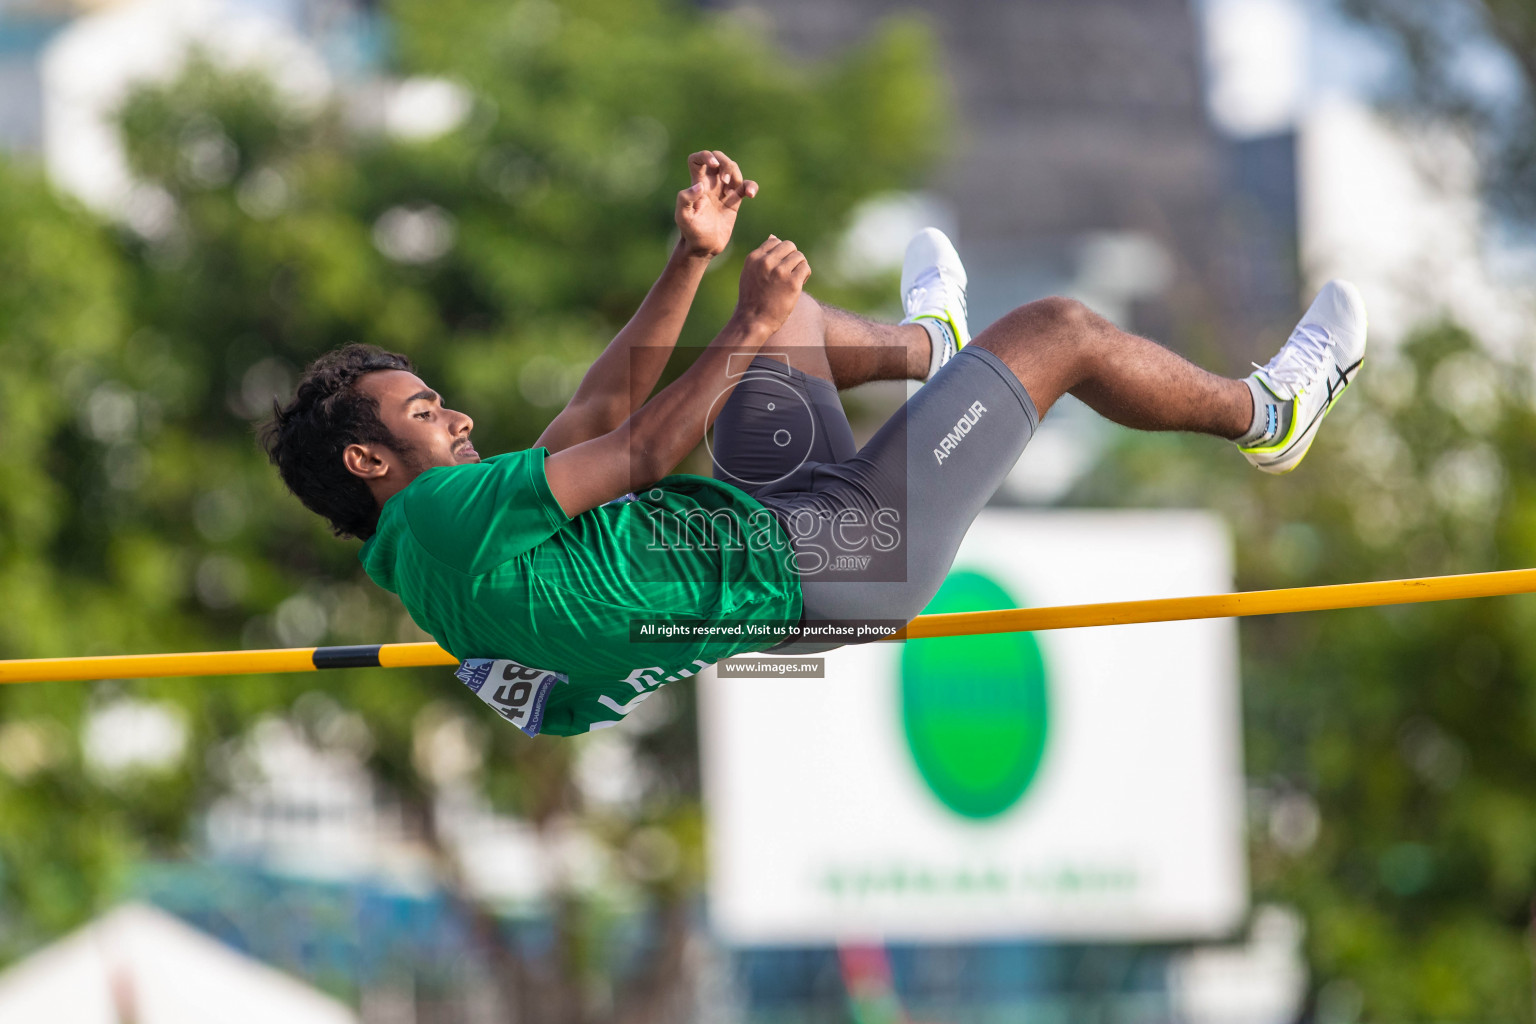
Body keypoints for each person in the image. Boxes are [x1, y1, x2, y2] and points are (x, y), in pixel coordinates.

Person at [262, 150, 1367, 737]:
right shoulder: (444, 517)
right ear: (370, 462)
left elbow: (596, 419)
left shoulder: (437, 570)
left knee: (790, 323)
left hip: (781, 535)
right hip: (843, 557)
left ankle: (930, 347)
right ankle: (1270, 414)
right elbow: (642, 451)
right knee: (1062, 333)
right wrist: (733, 326)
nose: (453, 416)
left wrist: (690, 261)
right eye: (423, 413)